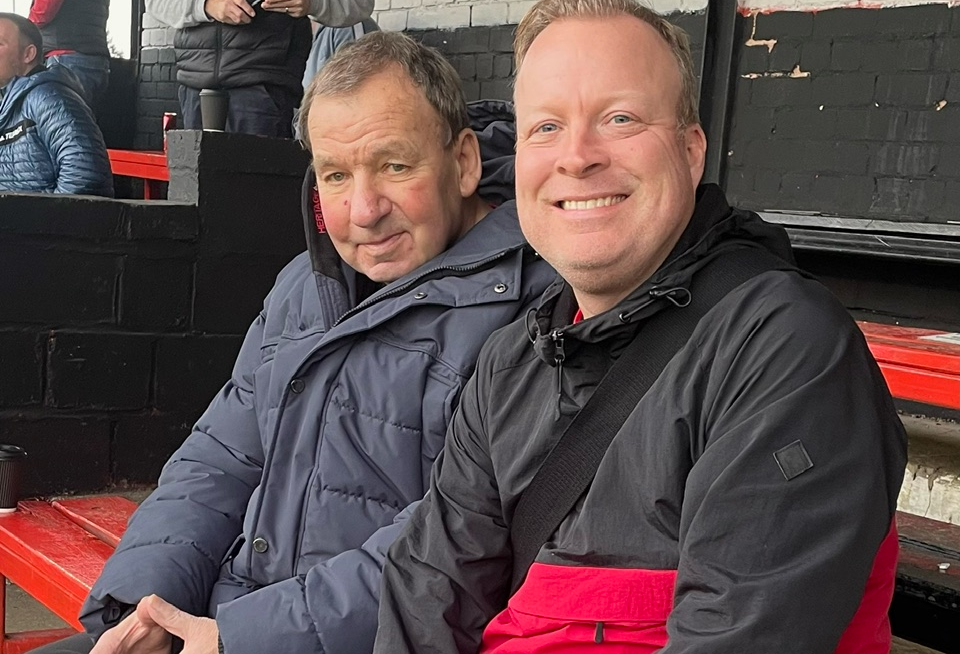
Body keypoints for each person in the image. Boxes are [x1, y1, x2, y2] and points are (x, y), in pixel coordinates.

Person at [374, 0, 908, 652]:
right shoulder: (510, 362)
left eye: (619, 118)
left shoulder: (783, 349)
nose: (576, 157)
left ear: (689, 151)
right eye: (545, 128)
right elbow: (428, 596)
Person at [18, 30, 555, 654]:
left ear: (462, 162)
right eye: (335, 174)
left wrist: (238, 638)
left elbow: (453, 547)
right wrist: (145, 607)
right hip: (226, 616)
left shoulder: (532, 306)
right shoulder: (305, 283)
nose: (363, 209)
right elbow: (217, 460)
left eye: (395, 165)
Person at [146, 0, 373, 138]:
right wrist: (206, 5)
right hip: (195, 85)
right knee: (196, 194)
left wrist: (314, 4)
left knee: (255, 196)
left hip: (262, 87)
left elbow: (360, 5)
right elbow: (155, 3)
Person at [0, 13, 113, 197]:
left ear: (28, 54)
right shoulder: (7, 101)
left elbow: (84, 176)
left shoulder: (49, 97)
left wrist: (45, 222)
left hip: (42, 224)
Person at [28, 0, 111, 114]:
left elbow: (41, 13)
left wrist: (22, 29)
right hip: (95, 58)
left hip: (66, 58)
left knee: (63, 119)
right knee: (82, 121)